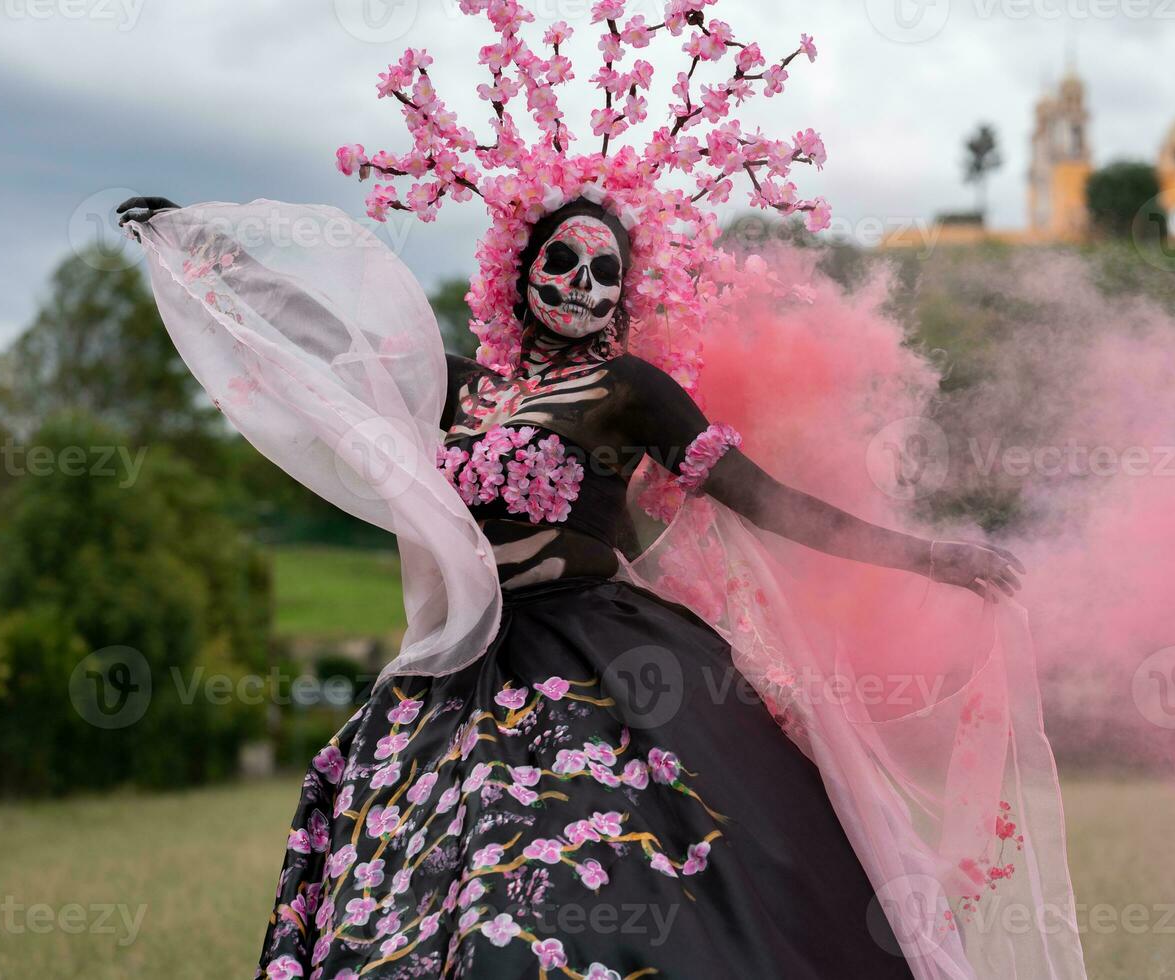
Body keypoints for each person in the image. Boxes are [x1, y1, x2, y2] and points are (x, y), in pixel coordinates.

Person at [116, 3, 1085, 977]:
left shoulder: (631, 391)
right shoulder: (453, 385)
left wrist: (932, 557)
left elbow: (771, 503)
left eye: (604, 275)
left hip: (602, 669)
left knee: (565, 908)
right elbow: (332, 347)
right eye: (562, 261)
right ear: (519, 268)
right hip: (459, 668)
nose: (580, 284)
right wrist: (211, 260)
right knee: (416, 913)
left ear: (625, 296)